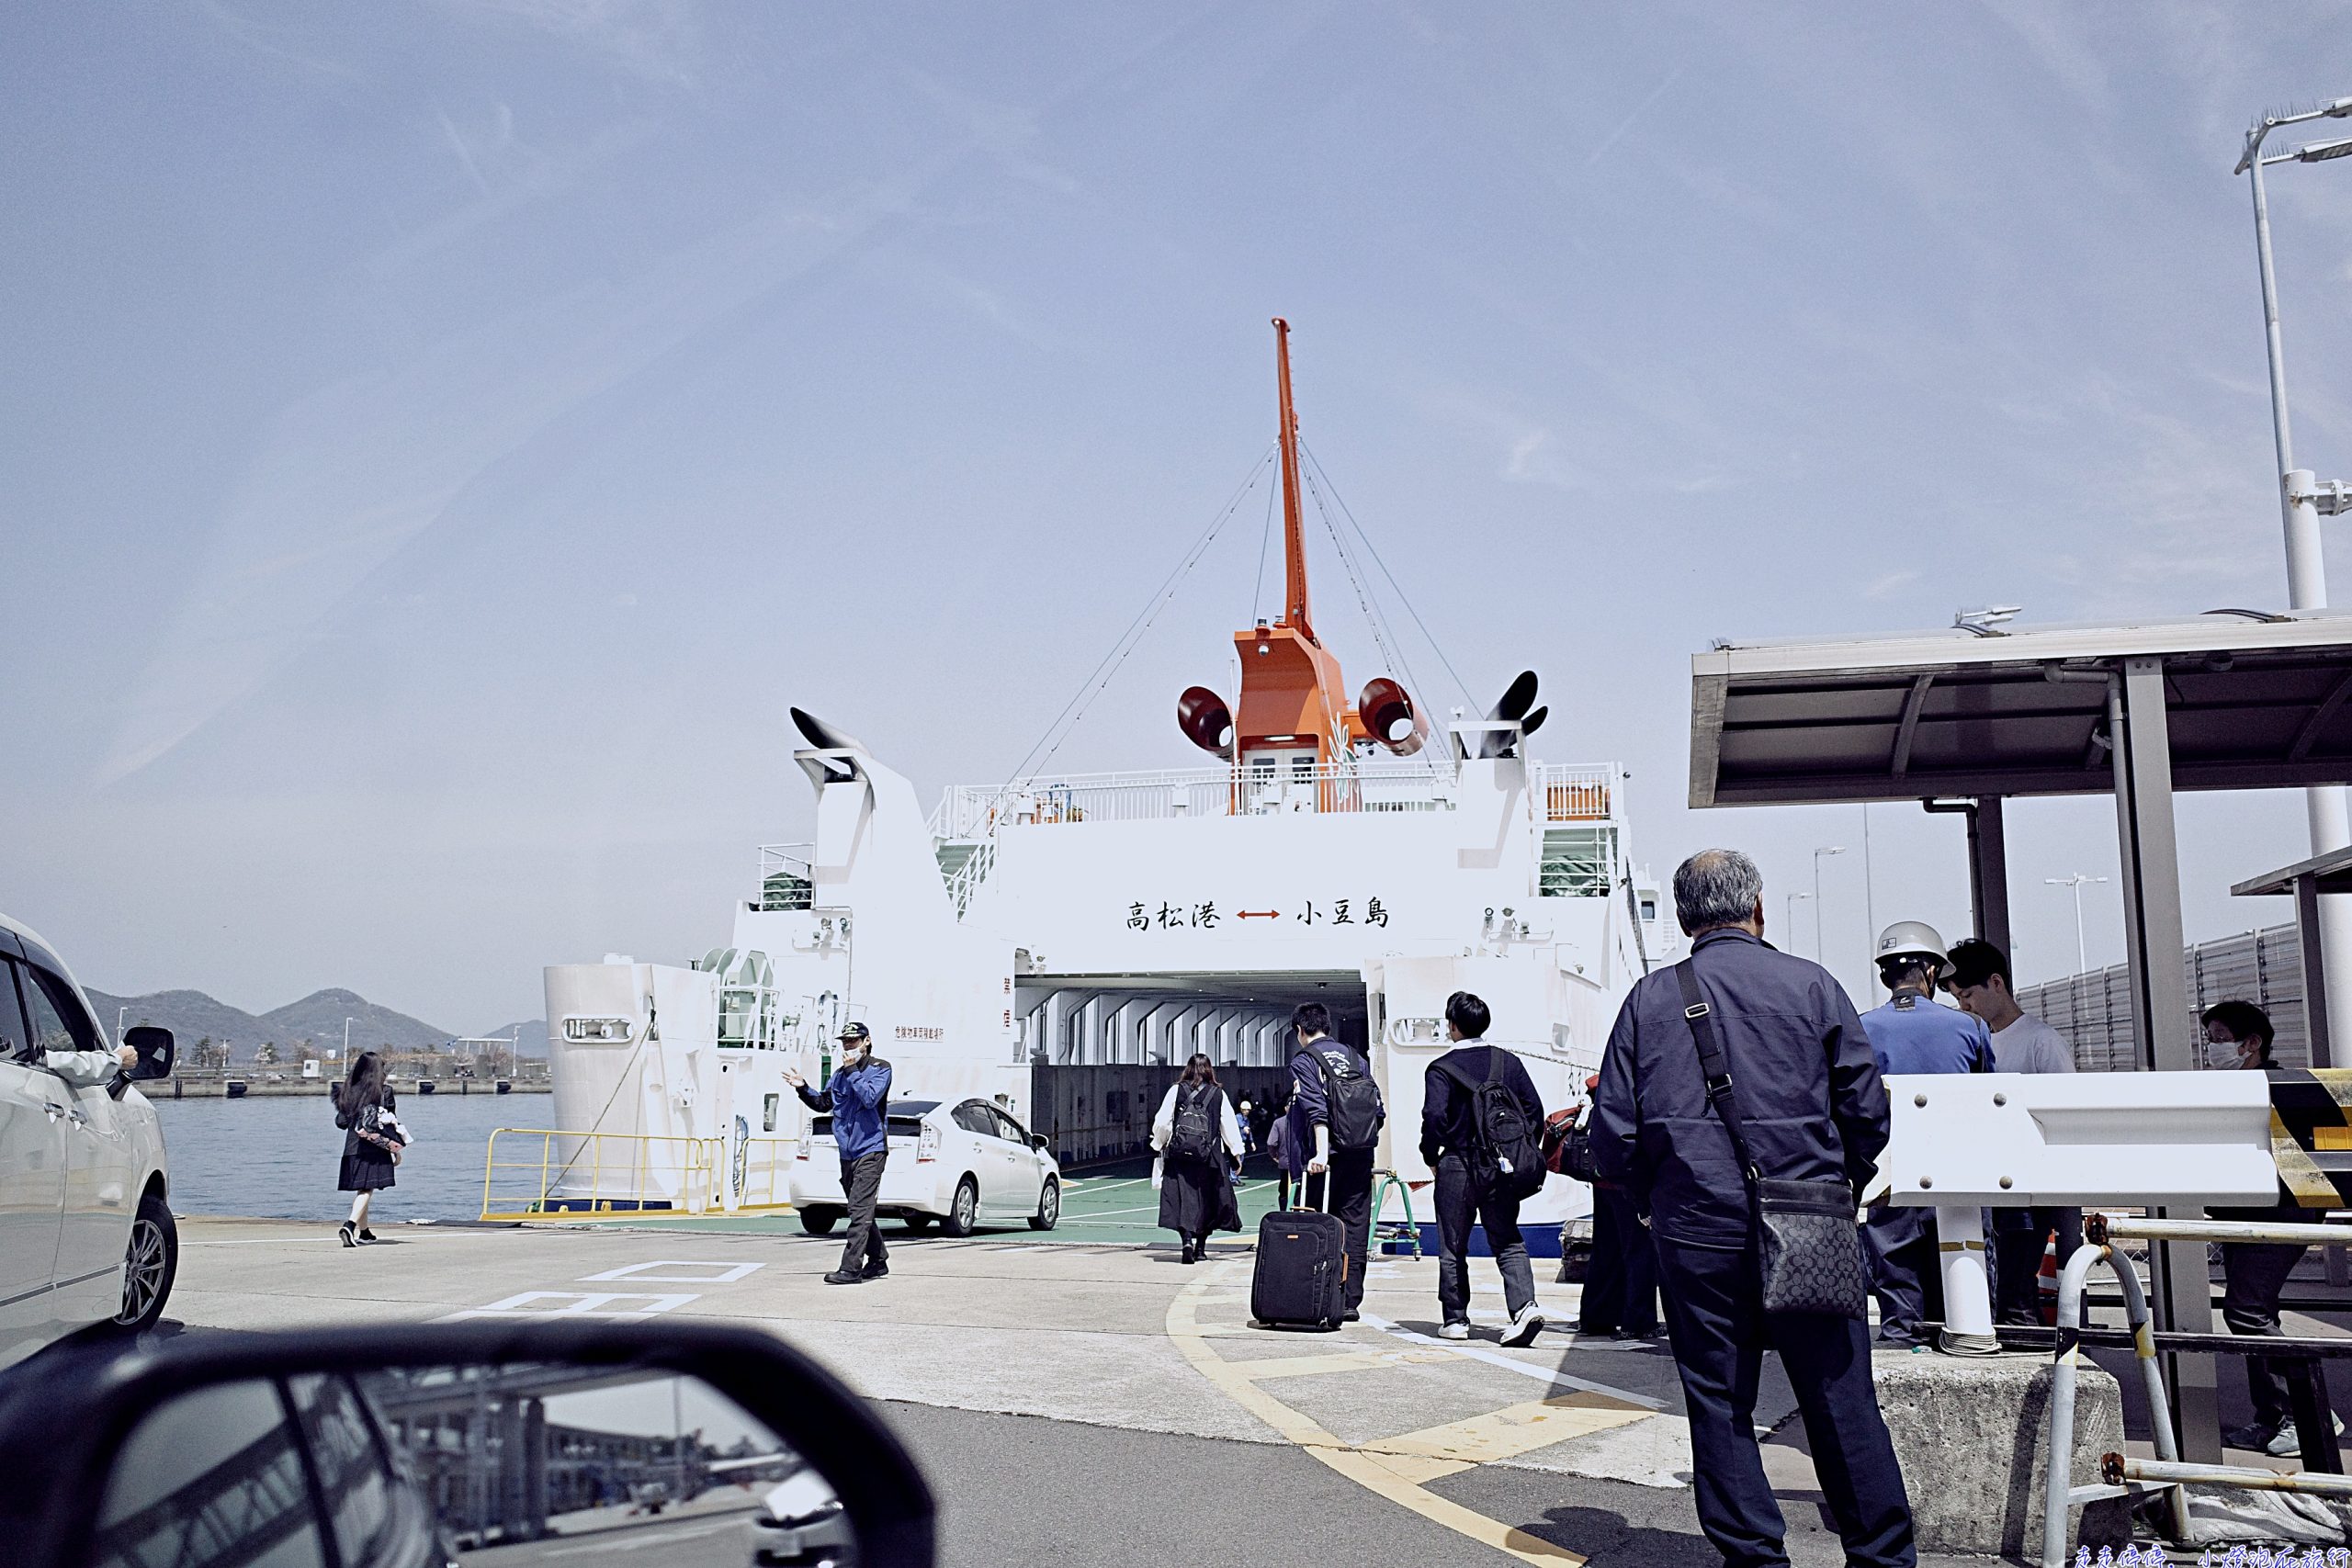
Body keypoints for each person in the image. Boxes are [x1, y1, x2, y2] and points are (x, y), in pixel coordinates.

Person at [1591, 849, 1914, 1568]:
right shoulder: (1814, 986)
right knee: (1841, 1397)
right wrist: (1834, 1189)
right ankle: (1884, 1557)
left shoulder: (1649, 1000)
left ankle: (1756, 1557)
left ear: (1683, 918)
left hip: (1696, 1232)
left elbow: (1611, 1136)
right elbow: (1867, 1113)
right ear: (1758, 908)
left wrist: (1655, 1203)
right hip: (1810, 1223)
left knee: (1718, 1399)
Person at [2204, 1001, 2337, 1456]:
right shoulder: (2224, 1090)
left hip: (2283, 1217)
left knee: (2245, 1313)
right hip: (2241, 1217)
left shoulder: (2281, 1087)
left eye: (2220, 1038)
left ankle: (2309, 1412)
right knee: (2259, 1314)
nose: (2212, 1049)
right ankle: (2274, 1416)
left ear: (2252, 1043)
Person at [1858, 920, 1995, 1348]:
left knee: (1897, 1289)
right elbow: (1989, 1096)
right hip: (1958, 1174)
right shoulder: (1970, 1027)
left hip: (1890, 1176)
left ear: (1884, 975)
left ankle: (1902, 1345)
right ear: (1933, 973)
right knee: (1964, 1282)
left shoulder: (1861, 1028)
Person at [1943, 937, 2080, 1327]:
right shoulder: (1969, 1040)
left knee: (2017, 1293)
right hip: (1984, 1186)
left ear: (1997, 982)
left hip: (2027, 1193)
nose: (1964, 1006)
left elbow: (2066, 1113)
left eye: (1968, 994)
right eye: (1957, 998)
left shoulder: (2041, 1041)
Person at [1420, 990, 1545, 1345]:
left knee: (1453, 1244)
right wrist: (1514, 1151)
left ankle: (1456, 1320)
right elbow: (1532, 1111)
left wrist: (1431, 1155)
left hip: (1457, 1164)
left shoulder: (1441, 1069)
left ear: (1453, 1026)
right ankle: (1524, 1307)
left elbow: (1433, 1117)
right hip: (1500, 1168)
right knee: (1507, 1238)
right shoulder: (1508, 1063)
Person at [1283, 1002, 1384, 1323]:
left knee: (1316, 1224)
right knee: (1354, 1227)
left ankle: (1317, 1294)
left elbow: (1316, 1109)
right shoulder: (1357, 1059)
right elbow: (1377, 1111)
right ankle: (1350, 1300)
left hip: (1323, 1160)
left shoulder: (1305, 1061)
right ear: (1328, 1026)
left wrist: (1322, 1154)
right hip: (1360, 1154)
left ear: (1300, 1030)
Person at [786, 1022, 893, 1286]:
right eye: (844, 1042)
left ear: (866, 1041)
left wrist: (852, 1070)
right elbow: (824, 1103)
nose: (848, 1046)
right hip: (847, 1153)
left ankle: (851, 1269)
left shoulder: (881, 1069)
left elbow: (869, 1098)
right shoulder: (839, 1075)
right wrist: (802, 1087)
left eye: (853, 1041)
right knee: (861, 1209)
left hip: (871, 1149)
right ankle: (878, 1261)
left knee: (859, 1209)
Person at [1573, 1072, 1659, 1341]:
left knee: (1605, 1252)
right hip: (1628, 1184)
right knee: (1640, 1253)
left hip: (1603, 1182)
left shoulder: (1598, 1099)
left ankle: (1595, 1318)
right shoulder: (1631, 1096)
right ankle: (1639, 1321)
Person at [1152, 1054, 1245, 1263]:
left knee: (1183, 1199)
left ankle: (1186, 1240)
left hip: (1180, 1156)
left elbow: (1162, 1122)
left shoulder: (1177, 1090)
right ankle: (1201, 1248)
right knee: (1208, 1200)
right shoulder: (1218, 1094)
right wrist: (1236, 1153)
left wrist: (1159, 1144)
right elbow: (1228, 1126)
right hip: (1209, 1156)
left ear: (1188, 1069)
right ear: (1209, 1070)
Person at [332, 1051, 403, 1247]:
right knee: (366, 1190)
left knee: (363, 1189)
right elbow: (390, 1125)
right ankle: (350, 1225)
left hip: (351, 1148)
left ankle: (364, 1232)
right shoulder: (384, 1092)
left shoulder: (347, 1091)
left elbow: (341, 1122)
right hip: (374, 1150)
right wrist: (395, 1151)